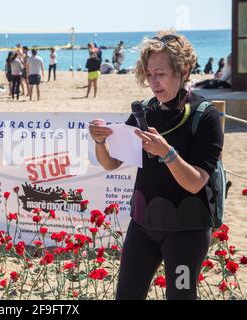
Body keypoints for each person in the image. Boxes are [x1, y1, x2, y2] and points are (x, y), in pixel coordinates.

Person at [89, 31, 224, 300]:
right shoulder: (145, 112)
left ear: (183, 71)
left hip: (187, 231)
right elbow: (111, 164)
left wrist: (167, 153)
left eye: (160, 74)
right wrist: (100, 142)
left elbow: (196, 181)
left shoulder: (205, 116)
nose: (153, 82)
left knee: (181, 297)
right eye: (149, 74)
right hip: (143, 226)